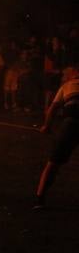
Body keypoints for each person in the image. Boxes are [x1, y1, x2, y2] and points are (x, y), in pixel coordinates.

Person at [34, 66, 79, 208]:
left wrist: (46, 126)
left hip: (71, 123)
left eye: (67, 73)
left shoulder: (67, 85)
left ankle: (40, 199)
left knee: (53, 163)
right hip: (71, 122)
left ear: (74, 74)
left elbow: (52, 109)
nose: (64, 76)